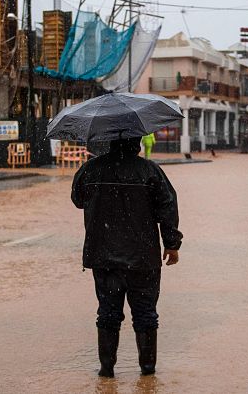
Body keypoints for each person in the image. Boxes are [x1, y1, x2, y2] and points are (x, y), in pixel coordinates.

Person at [71, 137, 183, 378]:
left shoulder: (91, 169)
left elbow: (78, 200)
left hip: (103, 255)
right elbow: (168, 206)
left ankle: (107, 370)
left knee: (108, 313)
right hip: (142, 258)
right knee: (145, 314)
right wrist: (172, 244)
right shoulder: (150, 170)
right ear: (137, 141)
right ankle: (148, 372)